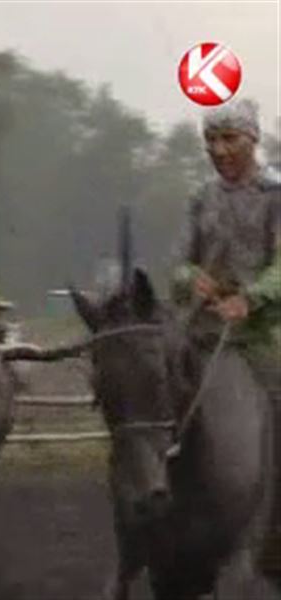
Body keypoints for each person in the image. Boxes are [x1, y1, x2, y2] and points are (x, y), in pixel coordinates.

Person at [171, 97, 280, 580]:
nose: (219, 150)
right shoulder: (202, 198)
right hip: (200, 330)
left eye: (229, 138)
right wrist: (188, 278)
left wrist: (250, 299)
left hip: (262, 335)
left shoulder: (276, 195)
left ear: (252, 139)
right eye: (211, 141)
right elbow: (179, 261)